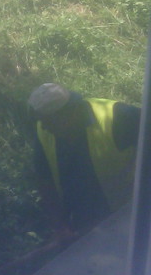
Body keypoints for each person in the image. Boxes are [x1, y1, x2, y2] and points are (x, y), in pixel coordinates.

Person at [28, 83, 140, 239]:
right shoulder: (44, 132)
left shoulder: (117, 117)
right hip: (86, 226)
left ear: (69, 113)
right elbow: (45, 181)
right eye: (41, 121)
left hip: (131, 215)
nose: (44, 127)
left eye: (49, 121)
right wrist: (61, 227)